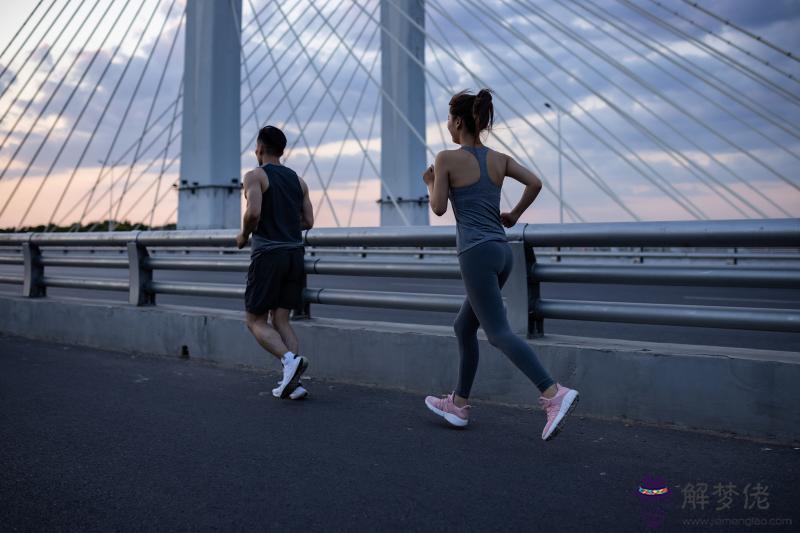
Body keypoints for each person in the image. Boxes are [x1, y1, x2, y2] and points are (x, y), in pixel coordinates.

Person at [422, 89, 579, 441]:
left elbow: (438, 208)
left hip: (475, 254)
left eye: (449, 119)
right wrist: (514, 214)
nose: (447, 125)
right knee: (464, 327)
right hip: (502, 251)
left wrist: (432, 181)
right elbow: (535, 183)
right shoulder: (499, 159)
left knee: (497, 333)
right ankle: (459, 404)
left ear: (459, 121)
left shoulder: (446, 159)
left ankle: (553, 393)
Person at [236, 125, 314, 400]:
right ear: (282, 151)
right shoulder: (298, 181)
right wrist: (285, 221)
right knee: (281, 319)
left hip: (269, 255)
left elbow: (253, 212)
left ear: (258, 149)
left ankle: (289, 361)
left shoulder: (255, 176)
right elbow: (309, 222)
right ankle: (294, 382)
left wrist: (244, 235)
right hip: (295, 255)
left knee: (254, 320)